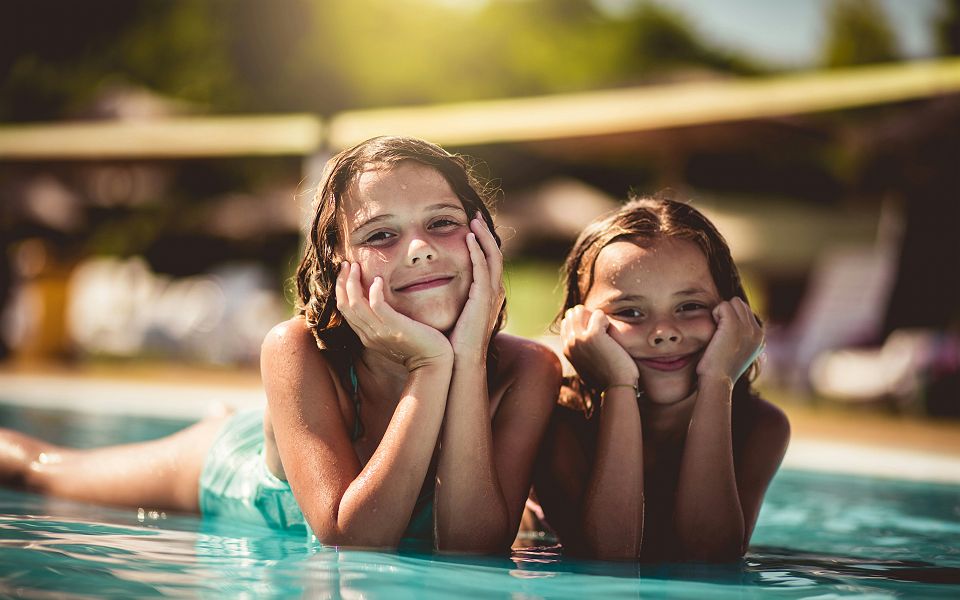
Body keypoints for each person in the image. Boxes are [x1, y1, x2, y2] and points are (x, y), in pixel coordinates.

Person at [0, 136, 562, 553]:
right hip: (235, 471)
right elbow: (353, 538)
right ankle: (233, 424)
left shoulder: (527, 370)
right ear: (339, 266)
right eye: (381, 235)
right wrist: (431, 365)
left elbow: (471, 548)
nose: (417, 249)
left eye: (441, 222)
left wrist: (464, 361)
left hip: (304, 430)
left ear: (483, 237)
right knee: (46, 470)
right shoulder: (296, 348)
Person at [531, 194, 790, 562]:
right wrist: (617, 386)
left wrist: (719, 380)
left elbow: (710, 559)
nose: (664, 332)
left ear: (734, 313)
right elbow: (607, 557)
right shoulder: (555, 420)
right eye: (631, 311)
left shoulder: (761, 427)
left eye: (689, 306)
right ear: (580, 324)